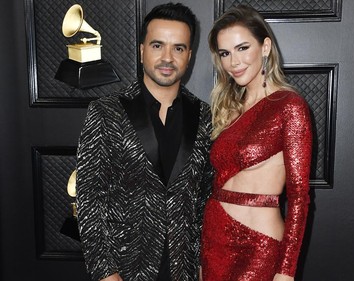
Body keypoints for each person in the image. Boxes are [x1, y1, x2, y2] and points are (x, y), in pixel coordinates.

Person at [76, 3, 213, 281]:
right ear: (141, 51)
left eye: (178, 48)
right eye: (157, 45)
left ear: (189, 56)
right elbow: (90, 198)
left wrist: (201, 264)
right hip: (125, 270)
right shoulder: (106, 111)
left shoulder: (204, 115)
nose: (167, 58)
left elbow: (204, 200)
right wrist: (106, 273)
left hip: (182, 269)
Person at [201, 5, 312, 281]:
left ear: (265, 47)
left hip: (258, 245)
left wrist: (286, 270)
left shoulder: (290, 106)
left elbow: (299, 198)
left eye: (242, 48)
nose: (233, 62)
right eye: (225, 53)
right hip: (214, 238)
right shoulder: (230, 108)